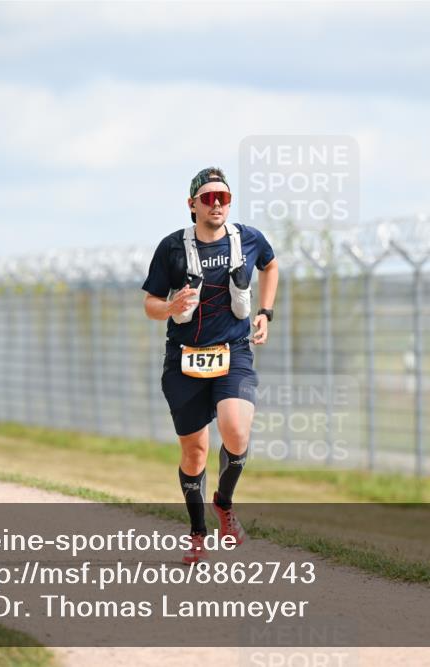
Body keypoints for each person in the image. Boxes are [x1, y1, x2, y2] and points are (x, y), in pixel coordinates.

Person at [141, 166, 278, 564]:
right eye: (209, 198)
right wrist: (169, 307)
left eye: (224, 198)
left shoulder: (248, 239)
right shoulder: (171, 248)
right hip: (184, 359)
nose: (217, 204)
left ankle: (224, 503)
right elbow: (150, 303)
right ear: (192, 205)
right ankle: (197, 532)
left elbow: (271, 265)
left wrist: (266, 312)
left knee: (236, 432)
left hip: (233, 351)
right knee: (196, 452)